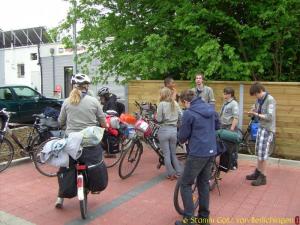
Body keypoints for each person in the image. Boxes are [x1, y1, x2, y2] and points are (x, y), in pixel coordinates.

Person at [55, 73, 107, 208]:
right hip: (89, 141)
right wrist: (104, 127)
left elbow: (60, 121)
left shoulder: (66, 102)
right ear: (87, 86)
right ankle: (94, 186)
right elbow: (102, 120)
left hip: (72, 141)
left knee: (65, 167)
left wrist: (64, 126)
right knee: (96, 162)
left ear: (74, 86)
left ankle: (60, 197)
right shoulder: (94, 101)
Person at [176, 89, 218, 225]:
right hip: (211, 151)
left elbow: (182, 136)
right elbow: (218, 125)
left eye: (184, 104)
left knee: (185, 183)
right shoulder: (210, 108)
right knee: (204, 183)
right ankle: (204, 218)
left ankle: (188, 219)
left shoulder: (189, 113)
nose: (184, 106)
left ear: (186, 101)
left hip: (197, 152)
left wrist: (183, 139)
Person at [246, 82, 276, 186]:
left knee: (263, 154)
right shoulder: (259, 99)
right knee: (258, 152)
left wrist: (256, 114)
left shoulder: (270, 100)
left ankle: (263, 177)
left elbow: (269, 117)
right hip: (260, 127)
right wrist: (253, 110)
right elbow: (257, 110)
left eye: (255, 94)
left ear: (259, 91)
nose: (255, 96)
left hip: (267, 130)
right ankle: (258, 172)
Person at [156, 87, 182, 180]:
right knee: (173, 154)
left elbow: (158, 119)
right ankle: (179, 172)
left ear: (162, 95)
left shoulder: (161, 104)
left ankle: (171, 174)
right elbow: (181, 115)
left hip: (164, 130)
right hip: (174, 130)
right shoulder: (175, 103)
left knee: (166, 154)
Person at [219, 87, 239, 170]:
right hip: (223, 126)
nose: (223, 95)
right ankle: (226, 164)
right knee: (224, 147)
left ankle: (233, 164)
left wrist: (232, 129)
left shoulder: (234, 103)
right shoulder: (225, 103)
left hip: (229, 127)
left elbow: (236, 117)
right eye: (224, 93)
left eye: (225, 93)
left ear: (229, 94)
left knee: (232, 147)